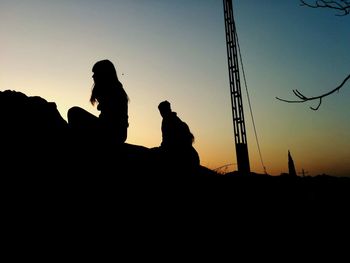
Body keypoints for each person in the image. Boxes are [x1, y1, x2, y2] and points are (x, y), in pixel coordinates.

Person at [67, 59, 129, 146]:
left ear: (103, 74)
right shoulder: (113, 89)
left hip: (113, 133)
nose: (93, 76)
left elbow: (113, 120)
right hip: (114, 132)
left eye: (95, 73)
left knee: (74, 112)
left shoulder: (114, 91)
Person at [156, 100, 200, 174]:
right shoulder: (178, 121)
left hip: (181, 156)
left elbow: (167, 141)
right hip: (191, 156)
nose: (161, 113)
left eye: (161, 111)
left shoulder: (167, 121)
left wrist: (161, 148)